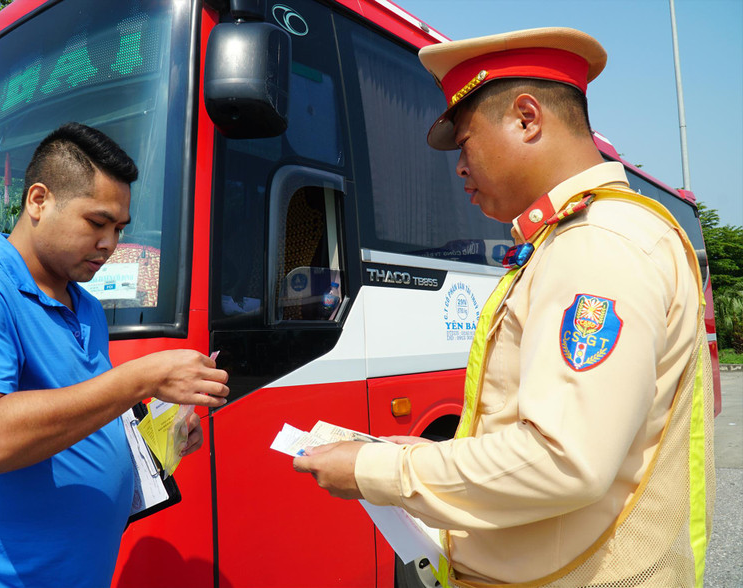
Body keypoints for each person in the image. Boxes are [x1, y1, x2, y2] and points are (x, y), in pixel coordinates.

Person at [293, 28, 714, 586]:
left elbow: (564, 461)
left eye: (464, 143)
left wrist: (379, 469)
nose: (459, 168)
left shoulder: (595, 244)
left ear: (527, 117)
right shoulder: (587, 237)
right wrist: (433, 453)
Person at [0, 122, 229, 587]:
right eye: (96, 223)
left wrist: (157, 436)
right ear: (38, 201)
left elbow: (80, 409)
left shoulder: (86, 308)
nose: (110, 244)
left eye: (119, 228)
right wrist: (138, 380)